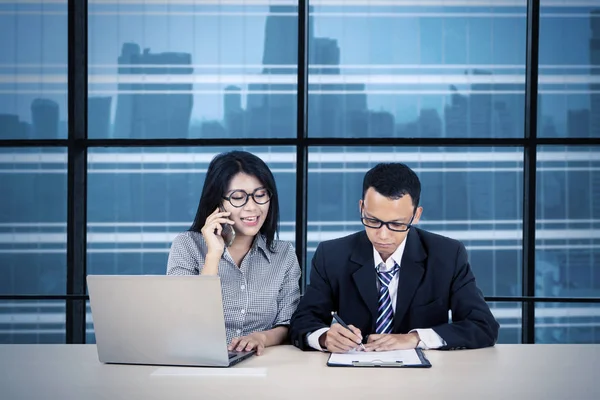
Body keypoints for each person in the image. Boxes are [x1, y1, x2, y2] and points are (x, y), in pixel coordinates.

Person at [290, 162, 499, 353]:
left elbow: (483, 325)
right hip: (353, 376)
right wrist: (325, 337)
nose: (382, 235)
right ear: (361, 207)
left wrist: (415, 338)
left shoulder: (447, 255)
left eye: (397, 225)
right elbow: (303, 320)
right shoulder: (332, 255)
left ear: (416, 216)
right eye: (372, 220)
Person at [167, 150, 301, 356]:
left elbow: (288, 323)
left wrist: (261, 337)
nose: (252, 207)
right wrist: (213, 255)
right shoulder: (186, 245)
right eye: (238, 197)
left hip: (262, 364)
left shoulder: (283, 254)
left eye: (260, 195)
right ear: (217, 202)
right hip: (198, 361)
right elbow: (184, 319)